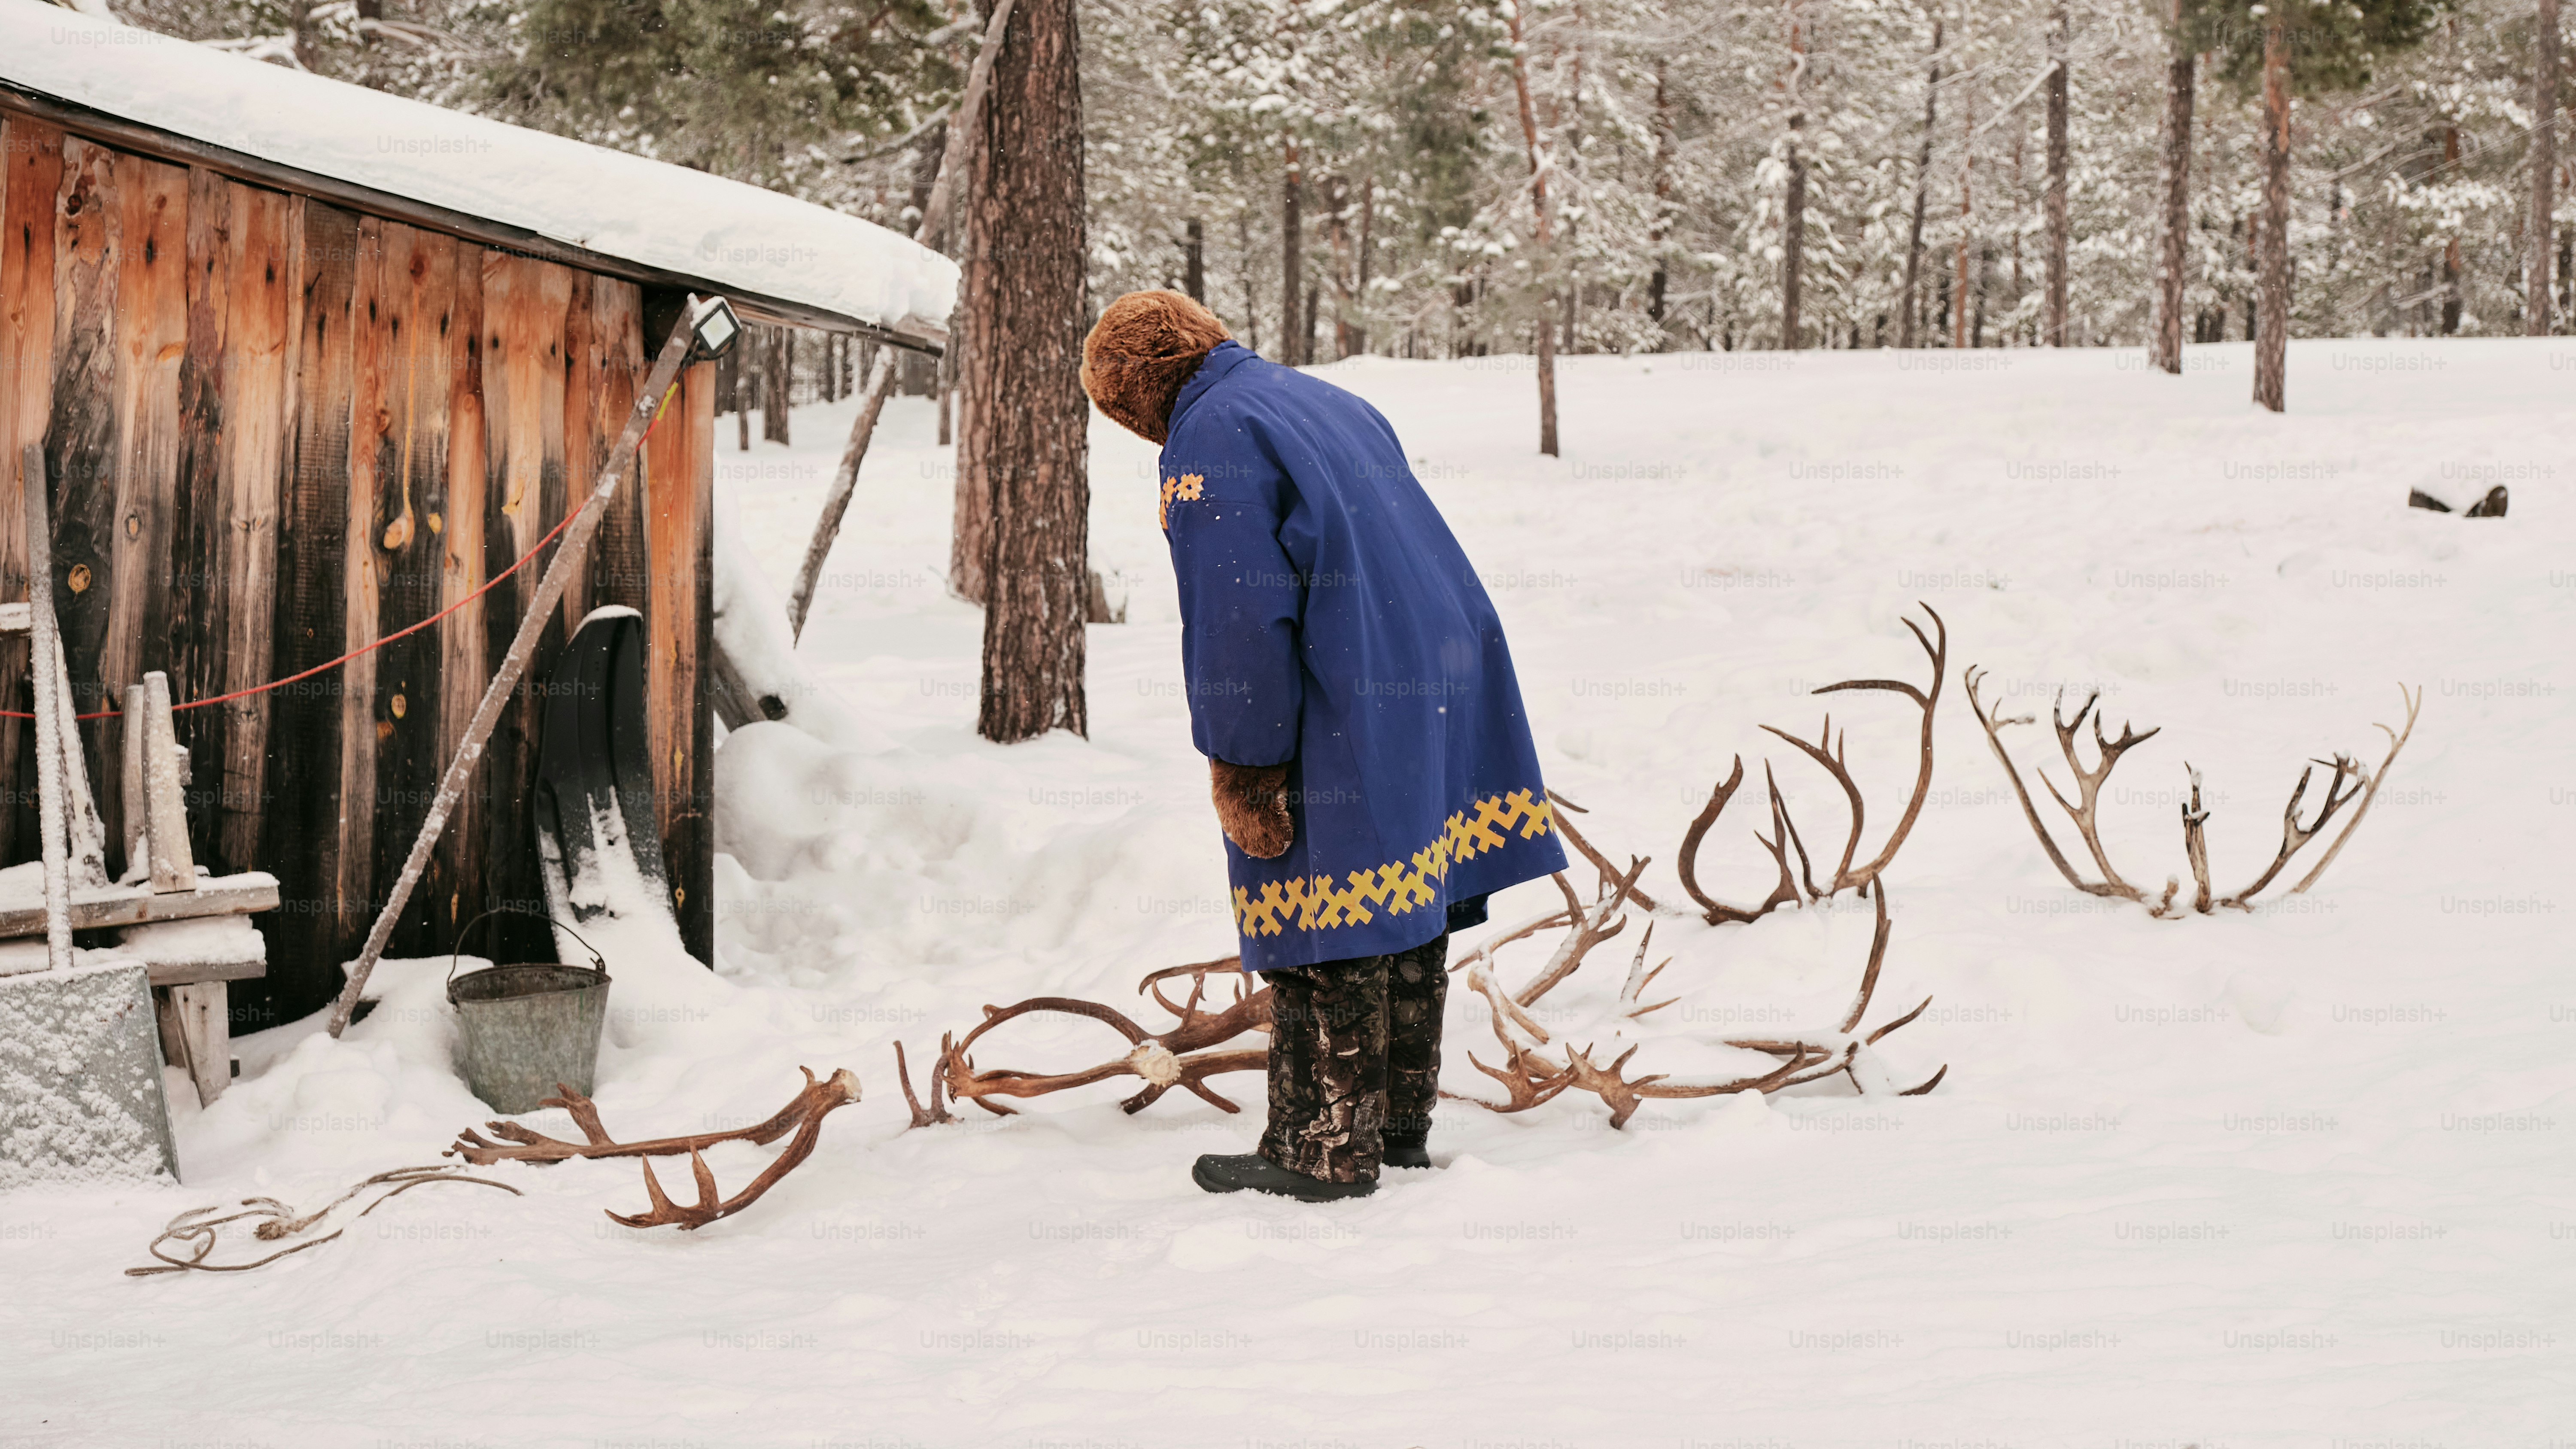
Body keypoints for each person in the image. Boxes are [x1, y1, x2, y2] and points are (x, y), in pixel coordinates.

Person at [1079, 291, 1567, 1202]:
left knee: (1322, 895)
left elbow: (1237, 614)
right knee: (1405, 890)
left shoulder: (1209, 434)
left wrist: (1245, 761)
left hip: (1345, 676)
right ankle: (1395, 1128)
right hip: (1435, 663)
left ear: (1134, 392)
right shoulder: (1319, 397)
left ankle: (1321, 1150)